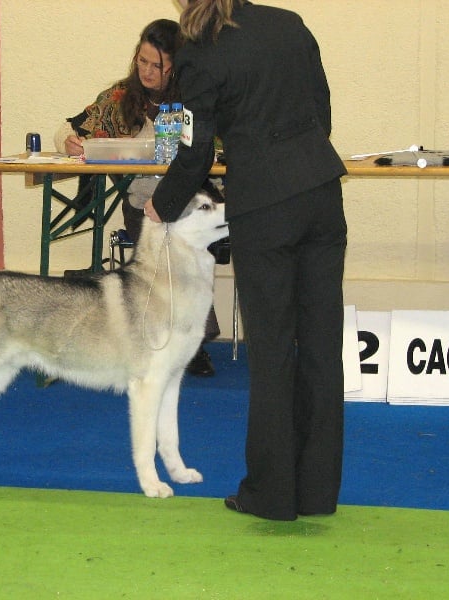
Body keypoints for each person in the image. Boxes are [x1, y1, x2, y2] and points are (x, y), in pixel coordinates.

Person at [146, 0, 348, 520]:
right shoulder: (289, 23)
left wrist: (161, 204)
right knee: (322, 347)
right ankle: (317, 492)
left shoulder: (199, 50)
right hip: (322, 194)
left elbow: (194, 153)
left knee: (273, 350)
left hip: (264, 204)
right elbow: (322, 109)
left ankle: (272, 495)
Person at [55, 18, 219, 376]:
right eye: (141, 61)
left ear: (175, 66)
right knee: (160, 236)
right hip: (141, 201)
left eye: (157, 65)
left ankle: (189, 340)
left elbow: (217, 146)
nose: (146, 71)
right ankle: (179, 340)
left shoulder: (195, 97)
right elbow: (70, 128)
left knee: (180, 239)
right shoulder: (120, 98)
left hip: (187, 198)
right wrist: (68, 143)